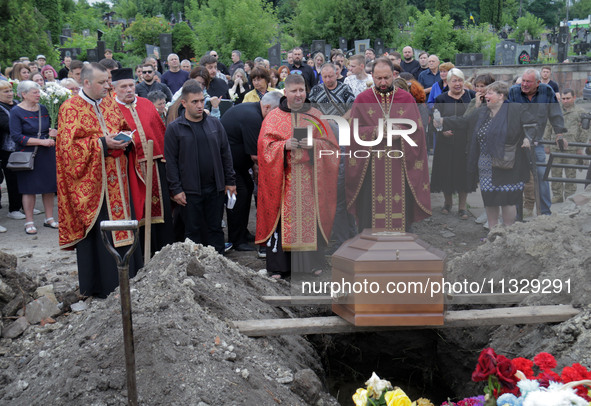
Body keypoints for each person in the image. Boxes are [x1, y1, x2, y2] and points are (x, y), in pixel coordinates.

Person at [56, 62, 144, 298]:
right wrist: (103, 144)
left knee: (125, 227)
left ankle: (131, 278)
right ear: (86, 83)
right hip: (94, 187)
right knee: (102, 234)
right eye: (102, 82)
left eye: (108, 81)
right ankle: (103, 286)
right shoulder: (70, 108)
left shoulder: (109, 104)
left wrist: (127, 140)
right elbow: (68, 150)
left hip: (119, 180)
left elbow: (124, 127)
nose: (108, 86)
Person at [255, 74, 339, 278]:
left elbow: (331, 148)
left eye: (302, 90)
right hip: (283, 181)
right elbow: (264, 148)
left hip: (311, 180)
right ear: (286, 92)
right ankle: (279, 267)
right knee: (283, 221)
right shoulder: (273, 117)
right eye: (294, 91)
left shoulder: (316, 115)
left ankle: (311, 264)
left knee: (311, 220)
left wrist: (314, 146)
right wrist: (284, 146)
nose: (299, 94)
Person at [346, 57, 431, 232]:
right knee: (370, 209)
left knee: (401, 207)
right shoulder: (363, 99)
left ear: (393, 75)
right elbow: (353, 131)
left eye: (386, 78)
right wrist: (374, 132)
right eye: (378, 78)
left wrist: (400, 131)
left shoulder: (406, 98)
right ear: (372, 76)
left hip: (400, 163)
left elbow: (417, 131)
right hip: (370, 165)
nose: (382, 82)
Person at [436, 82, 531, 228]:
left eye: (490, 93)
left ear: (501, 96)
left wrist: (527, 138)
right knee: (490, 199)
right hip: (486, 164)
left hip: (508, 163)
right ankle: (493, 231)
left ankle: (508, 231)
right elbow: (464, 121)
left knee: (507, 200)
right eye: (486, 93)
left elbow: (531, 125)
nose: (485, 95)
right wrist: (443, 121)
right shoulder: (482, 112)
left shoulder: (515, 109)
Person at [164, 81, 236, 254]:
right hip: (190, 190)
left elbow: (225, 154)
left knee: (216, 229)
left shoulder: (214, 124)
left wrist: (230, 181)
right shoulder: (175, 128)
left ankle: (218, 265)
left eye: (201, 101)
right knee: (193, 232)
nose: (199, 105)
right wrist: (176, 189)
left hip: (215, 188)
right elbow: (171, 162)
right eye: (194, 102)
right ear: (184, 103)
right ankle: (195, 270)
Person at [112, 68, 175, 256]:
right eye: (124, 87)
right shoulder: (111, 109)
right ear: (115, 89)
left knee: (160, 212)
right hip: (130, 168)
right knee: (137, 211)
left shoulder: (147, 104)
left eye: (131, 85)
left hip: (155, 167)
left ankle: (163, 252)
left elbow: (160, 134)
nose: (129, 90)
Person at [221, 91, 282, 251]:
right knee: (238, 197)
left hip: (239, 165)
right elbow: (257, 155)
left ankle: (243, 231)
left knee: (247, 190)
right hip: (229, 166)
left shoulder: (253, 110)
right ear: (268, 107)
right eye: (275, 113)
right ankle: (236, 239)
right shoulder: (253, 118)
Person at [508, 68, 566, 217]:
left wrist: (559, 134)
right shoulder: (514, 92)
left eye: (529, 82)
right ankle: (516, 214)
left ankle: (545, 213)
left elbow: (555, 113)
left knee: (541, 175)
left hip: (536, 143)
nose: (525, 84)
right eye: (524, 81)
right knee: (516, 178)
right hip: (517, 142)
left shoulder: (547, 91)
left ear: (538, 83)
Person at [9, 81, 58, 234]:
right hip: (28, 154)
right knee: (28, 189)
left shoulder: (43, 108)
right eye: (34, 92)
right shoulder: (16, 112)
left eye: (38, 92)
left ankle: (49, 218)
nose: (38, 95)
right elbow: (16, 136)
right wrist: (41, 141)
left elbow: (48, 126)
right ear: (23, 94)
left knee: (49, 187)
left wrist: (53, 132)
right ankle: (29, 221)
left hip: (46, 153)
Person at [431, 68, 476, 219]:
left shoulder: (472, 97)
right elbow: (435, 121)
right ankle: (448, 203)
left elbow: (473, 120)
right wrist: (441, 131)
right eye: (454, 81)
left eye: (460, 80)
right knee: (446, 173)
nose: (458, 84)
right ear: (448, 82)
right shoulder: (441, 99)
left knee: (463, 175)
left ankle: (462, 207)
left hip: (465, 143)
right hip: (446, 143)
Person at [544, 88, 590, 203]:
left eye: (568, 98)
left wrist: (580, 147)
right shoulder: (555, 111)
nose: (565, 101)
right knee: (555, 173)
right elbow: (548, 127)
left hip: (572, 148)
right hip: (556, 147)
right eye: (563, 98)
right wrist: (546, 144)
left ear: (574, 98)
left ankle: (570, 196)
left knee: (570, 174)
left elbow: (585, 130)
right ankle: (557, 195)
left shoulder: (580, 112)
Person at [0, 80, 24, 222]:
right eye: (5, 92)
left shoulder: (16, 104)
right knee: (12, 180)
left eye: (10, 91)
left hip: (22, 146)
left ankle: (24, 204)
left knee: (25, 177)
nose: (9, 94)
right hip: (7, 149)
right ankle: (14, 208)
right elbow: (6, 125)